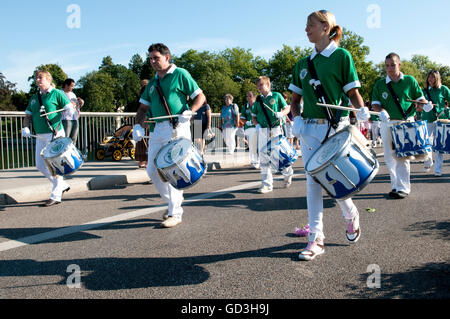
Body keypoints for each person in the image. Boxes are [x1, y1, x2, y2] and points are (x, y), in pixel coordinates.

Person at [289, 10, 370, 261]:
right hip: (309, 129)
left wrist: (362, 110)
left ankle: (350, 214)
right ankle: (316, 238)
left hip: (336, 126)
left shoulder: (342, 56)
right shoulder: (303, 64)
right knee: (313, 181)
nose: (306, 30)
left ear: (325, 27)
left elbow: (353, 93)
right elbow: (294, 101)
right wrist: (297, 118)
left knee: (335, 180)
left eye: (310, 25)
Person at [132, 43, 206, 228]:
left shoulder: (181, 74)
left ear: (167, 57)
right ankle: (173, 203)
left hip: (177, 126)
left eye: (156, 57)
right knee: (152, 170)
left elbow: (200, 96)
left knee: (173, 169)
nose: (153, 62)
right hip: (158, 129)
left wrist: (190, 110)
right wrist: (137, 126)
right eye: (150, 59)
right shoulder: (152, 83)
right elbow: (142, 108)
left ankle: (175, 212)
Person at [371, 52, 430, 199]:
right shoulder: (380, 84)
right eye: (387, 66)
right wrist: (382, 111)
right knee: (390, 157)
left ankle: (403, 188)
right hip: (387, 123)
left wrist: (425, 105)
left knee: (402, 156)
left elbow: (420, 99)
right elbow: (375, 105)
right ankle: (395, 186)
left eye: (393, 65)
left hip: (405, 123)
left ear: (399, 64)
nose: (390, 68)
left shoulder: (409, 81)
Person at [21, 70, 74, 206]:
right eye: (36, 78)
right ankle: (61, 185)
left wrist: (70, 108)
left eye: (40, 78)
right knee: (40, 165)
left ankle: (56, 195)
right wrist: (25, 127)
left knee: (54, 165)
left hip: (54, 133)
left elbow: (69, 107)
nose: (37, 80)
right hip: (40, 135)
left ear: (48, 80)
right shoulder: (34, 98)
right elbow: (27, 116)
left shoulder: (57, 94)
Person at [252, 76, 293, 193]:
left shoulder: (277, 95)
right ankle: (267, 184)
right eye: (258, 86)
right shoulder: (258, 100)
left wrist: (282, 113)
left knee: (278, 156)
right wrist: (257, 125)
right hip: (263, 130)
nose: (259, 88)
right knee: (264, 157)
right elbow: (254, 116)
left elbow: (287, 108)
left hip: (275, 129)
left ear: (268, 85)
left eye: (261, 85)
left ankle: (288, 173)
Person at [419, 70, 450, 176]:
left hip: (440, 120)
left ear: (437, 78)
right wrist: (424, 106)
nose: (430, 79)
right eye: (429, 77)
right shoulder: (423, 91)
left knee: (439, 145)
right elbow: (418, 106)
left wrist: (447, 110)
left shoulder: (443, 89)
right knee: (425, 143)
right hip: (427, 119)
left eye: (433, 77)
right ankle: (428, 160)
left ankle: (438, 169)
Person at [61, 78, 84, 145]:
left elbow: (76, 106)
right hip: (65, 119)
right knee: (65, 139)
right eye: (71, 86)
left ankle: (71, 153)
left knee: (73, 140)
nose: (73, 88)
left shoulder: (73, 94)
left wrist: (80, 102)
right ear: (66, 85)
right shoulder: (60, 93)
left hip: (74, 119)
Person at [242, 91, 260, 169]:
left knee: (256, 145)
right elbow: (242, 118)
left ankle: (257, 161)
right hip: (248, 128)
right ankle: (253, 161)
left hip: (257, 127)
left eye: (250, 96)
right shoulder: (245, 107)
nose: (248, 98)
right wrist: (247, 122)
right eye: (247, 96)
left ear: (254, 97)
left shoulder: (258, 105)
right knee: (251, 146)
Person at [135, 79, 150, 168]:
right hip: (148, 119)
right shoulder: (149, 94)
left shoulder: (141, 95)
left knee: (141, 140)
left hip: (141, 120)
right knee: (148, 140)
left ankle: (141, 161)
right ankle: (147, 161)